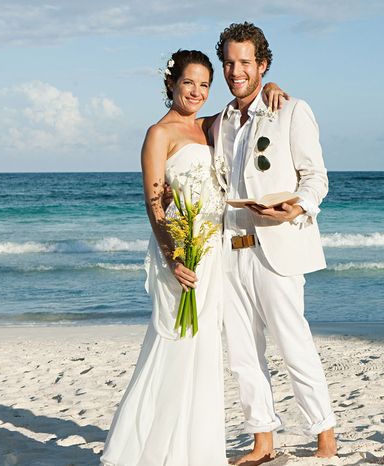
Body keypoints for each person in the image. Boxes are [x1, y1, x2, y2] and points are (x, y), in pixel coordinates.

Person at [100, 49, 285, 466]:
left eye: (205, 84)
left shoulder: (208, 126)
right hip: (182, 255)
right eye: (189, 83)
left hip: (213, 250)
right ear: (172, 85)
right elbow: (154, 204)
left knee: (203, 354)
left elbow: (247, 107)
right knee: (174, 348)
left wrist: (269, 86)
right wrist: (173, 257)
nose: (198, 92)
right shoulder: (158, 134)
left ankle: (193, 451)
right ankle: (143, 451)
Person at [210, 22, 337, 465]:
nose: (236, 70)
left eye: (245, 62)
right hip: (230, 250)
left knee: (293, 344)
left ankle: (325, 436)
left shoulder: (291, 109)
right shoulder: (220, 122)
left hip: (277, 249)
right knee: (243, 353)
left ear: (262, 65)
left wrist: (296, 208)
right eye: (229, 62)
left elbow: (316, 176)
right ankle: (262, 440)